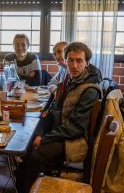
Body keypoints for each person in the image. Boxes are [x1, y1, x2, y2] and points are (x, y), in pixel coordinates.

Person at [17, 42, 103, 193]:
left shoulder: (90, 89)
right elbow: (56, 109)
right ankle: (26, 186)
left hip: (74, 140)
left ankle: (31, 185)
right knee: (26, 145)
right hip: (62, 131)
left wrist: (45, 138)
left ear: (87, 63)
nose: (74, 65)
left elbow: (76, 127)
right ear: (66, 61)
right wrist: (41, 132)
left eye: (79, 60)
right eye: (70, 60)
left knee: (36, 155)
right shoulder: (72, 80)